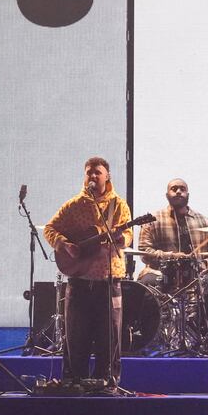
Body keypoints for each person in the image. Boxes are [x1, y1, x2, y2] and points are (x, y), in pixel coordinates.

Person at [44, 156, 133, 383]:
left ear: (108, 176)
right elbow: (50, 229)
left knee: (109, 339)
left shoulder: (118, 204)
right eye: (89, 172)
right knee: (76, 339)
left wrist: (121, 238)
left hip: (108, 281)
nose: (93, 176)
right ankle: (74, 386)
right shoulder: (74, 205)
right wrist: (64, 245)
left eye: (98, 172)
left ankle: (108, 385)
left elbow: (129, 237)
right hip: (79, 281)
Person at [137, 178, 208, 332]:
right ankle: (151, 333)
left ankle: (201, 332)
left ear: (188, 194)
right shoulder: (152, 220)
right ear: (167, 194)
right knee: (145, 284)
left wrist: (203, 265)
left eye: (182, 188)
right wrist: (172, 257)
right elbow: (144, 251)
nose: (178, 191)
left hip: (196, 275)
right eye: (173, 188)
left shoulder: (205, 222)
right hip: (161, 273)